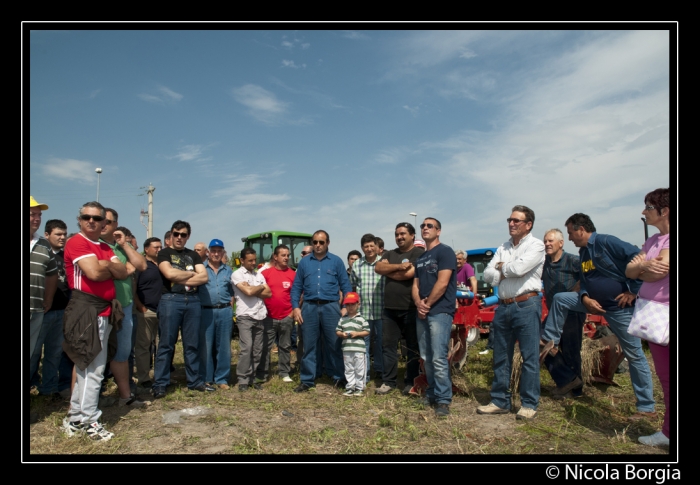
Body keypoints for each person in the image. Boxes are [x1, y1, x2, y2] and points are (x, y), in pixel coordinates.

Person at [562, 213, 655, 420]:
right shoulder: (584, 253)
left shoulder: (606, 242)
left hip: (620, 309)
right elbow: (585, 281)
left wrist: (634, 290)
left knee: (634, 355)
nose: (569, 238)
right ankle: (548, 338)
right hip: (597, 307)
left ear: (581, 229)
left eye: (570, 233)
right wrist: (585, 297)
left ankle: (647, 407)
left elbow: (639, 257)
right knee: (561, 299)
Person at [62, 201, 127, 440]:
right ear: (79, 220)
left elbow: (125, 272)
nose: (92, 221)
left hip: (103, 311)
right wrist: (109, 266)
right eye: (87, 217)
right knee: (93, 368)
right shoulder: (77, 242)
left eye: (98, 218)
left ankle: (76, 417)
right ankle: (89, 421)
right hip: (86, 310)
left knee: (87, 366)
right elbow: (94, 273)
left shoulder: (104, 246)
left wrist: (106, 264)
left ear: (104, 223)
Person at [477, 205, 544, 420]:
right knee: (501, 355)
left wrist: (501, 268)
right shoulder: (503, 247)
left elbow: (519, 269)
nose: (511, 224)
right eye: (510, 220)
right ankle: (499, 401)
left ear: (528, 224)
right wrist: (504, 269)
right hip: (503, 305)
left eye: (516, 220)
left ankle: (528, 403)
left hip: (526, 304)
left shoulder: (537, 245)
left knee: (529, 357)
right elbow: (487, 275)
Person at [625, 188, 670, 447]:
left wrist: (640, 268)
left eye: (648, 207)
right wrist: (642, 267)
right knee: (665, 376)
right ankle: (668, 432)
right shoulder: (653, 241)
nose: (644, 212)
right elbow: (630, 270)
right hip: (655, 317)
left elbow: (660, 271)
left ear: (664, 210)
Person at [152, 220, 213, 398]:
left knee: (192, 345)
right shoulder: (164, 253)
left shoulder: (193, 255)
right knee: (166, 344)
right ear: (171, 235)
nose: (179, 237)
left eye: (183, 234)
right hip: (171, 300)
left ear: (188, 237)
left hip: (192, 301)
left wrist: (181, 277)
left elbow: (204, 278)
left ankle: (194, 382)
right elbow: (169, 274)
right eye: (176, 234)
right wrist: (192, 274)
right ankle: (160, 383)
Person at [291, 230, 352, 392]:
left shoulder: (336, 262)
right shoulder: (304, 263)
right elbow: (296, 287)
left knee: (334, 343)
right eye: (315, 242)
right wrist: (296, 307)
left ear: (328, 243)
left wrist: (345, 306)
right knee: (309, 344)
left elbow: (346, 286)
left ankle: (339, 377)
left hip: (331, 307)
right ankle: (307, 379)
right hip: (309, 307)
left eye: (321, 242)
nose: (318, 245)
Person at [100, 209, 147, 407]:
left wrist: (124, 245)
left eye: (108, 221)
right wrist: (124, 270)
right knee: (95, 353)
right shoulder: (95, 246)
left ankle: (125, 397)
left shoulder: (120, 247)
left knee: (122, 353)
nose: (103, 224)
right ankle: (88, 401)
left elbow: (140, 265)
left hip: (124, 307)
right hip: (102, 306)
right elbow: (115, 272)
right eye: (101, 220)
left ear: (116, 224)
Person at [412, 218, 457, 417]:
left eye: (429, 226)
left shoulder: (445, 252)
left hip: (440, 311)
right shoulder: (421, 258)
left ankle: (443, 399)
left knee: (439, 357)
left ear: (438, 231)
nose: (425, 228)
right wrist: (418, 303)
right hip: (422, 311)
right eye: (422, 225)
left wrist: (427, 304)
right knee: (426, 357)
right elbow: (415, 285)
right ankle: (431, 392)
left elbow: (443, 282)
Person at [374, 222, 424, 395]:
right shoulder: (389, 253)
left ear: (412, 235)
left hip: (410, 307)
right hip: (389, 309)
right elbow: (378, 267)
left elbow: (409, 274)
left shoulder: (419, 253)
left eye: (403, 234)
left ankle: (411, 382)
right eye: (396, 234)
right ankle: (389, 381)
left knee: (411, 347)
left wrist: (389, 270)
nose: (399, 237)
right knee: (388, 346)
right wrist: (398, 266)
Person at [540, 229, 585, 399]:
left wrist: (574, 291)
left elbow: (588, 276)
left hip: (572, 312)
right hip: (554, 312)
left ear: (561, 243)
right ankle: (567, 380)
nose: (547, 244)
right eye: (545, 241)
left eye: (551, 241)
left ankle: (576, 392)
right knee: (541, 343)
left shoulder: (573, 260)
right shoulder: (544, 262)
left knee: (571, 350)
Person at [30, 219, 71, 399]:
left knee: (54, 353)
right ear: (47, 235)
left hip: (61, 311)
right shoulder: (39, 251)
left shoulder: (66, 256)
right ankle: (31, 384)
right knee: (33, 352)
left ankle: (48, 389)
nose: (62, 238)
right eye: (58, 234)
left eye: (64, 234)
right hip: (41, 311)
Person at [232, 247, 271, 391]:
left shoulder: (258, 275)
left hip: (260, 315)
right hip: (245, 316)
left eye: (255, 260)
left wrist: (255, 288)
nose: (253, 263)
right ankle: (242, 379)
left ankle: (252, 377)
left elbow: (269, 293)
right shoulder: (237, 275)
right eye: (250, 261)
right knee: (246, 348)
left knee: (257, 349)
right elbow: (247, 292)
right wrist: (259, 288)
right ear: (242, 260)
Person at [199, 239, 234, 389]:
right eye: (213, 250)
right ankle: (207, 378)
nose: (216, 253)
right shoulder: (201, 269)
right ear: (208, 252)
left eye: (219, 251)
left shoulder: (228, 271)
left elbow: (233, 292)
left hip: (225, 311)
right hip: (206, 310)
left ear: (223, 252)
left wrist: (230, 305)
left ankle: (222, 379)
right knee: (206, 345)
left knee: (224, 346)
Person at [350, 233, 384, 383]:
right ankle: (364, 375)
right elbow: (353, 287)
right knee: (363, 344)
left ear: (377, 247)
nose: (369, 249)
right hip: (363, 312)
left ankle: (381, 371)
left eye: (372, 246)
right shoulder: (357, 264)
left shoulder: (383, 262)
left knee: (381, 343)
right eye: (366, 246)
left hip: (382, 311)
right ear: (362, 248)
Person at [260, 245, 296, 383]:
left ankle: (284, 372)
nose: (286, 258)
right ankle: (262, 373)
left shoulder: (292, 274)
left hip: (287, 316)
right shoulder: (265, 274)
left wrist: (292, 313)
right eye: (283, 255)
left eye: (287, 255)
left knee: (285, 346)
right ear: (275, 257)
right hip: (268, 317)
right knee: (265, 346)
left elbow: (298, 295)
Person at [29, 196, 57, 363]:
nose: (37, 219)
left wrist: (48, 299)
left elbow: (52, 273)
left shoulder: (44, 244)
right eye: (32, 214)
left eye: (39, 215)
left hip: (36, 309)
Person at [133, 237, 163, 388]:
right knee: (144, 346)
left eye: (160, 247)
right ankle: (144, 378)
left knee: (162, 346)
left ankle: (160, 378)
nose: (159, 249)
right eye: (155, 247)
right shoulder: (141, 265)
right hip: (146, 311)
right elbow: (133, 287)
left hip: (163, 312)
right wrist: (141, 307)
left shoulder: (164, 265)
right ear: (146, 249)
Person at [335, 292, 370, 396]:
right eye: (348, 305)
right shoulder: (342, 319)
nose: (350, 307)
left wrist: (358, 333)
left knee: (359, 369)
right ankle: (350, 386)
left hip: (359, 349)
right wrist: (342, 334)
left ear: (358, 304)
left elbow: (367, 331)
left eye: (352, 304)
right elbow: (337, 331)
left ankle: (360, 387)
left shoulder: (361, 319)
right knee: (349, 368)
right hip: (347, 349)